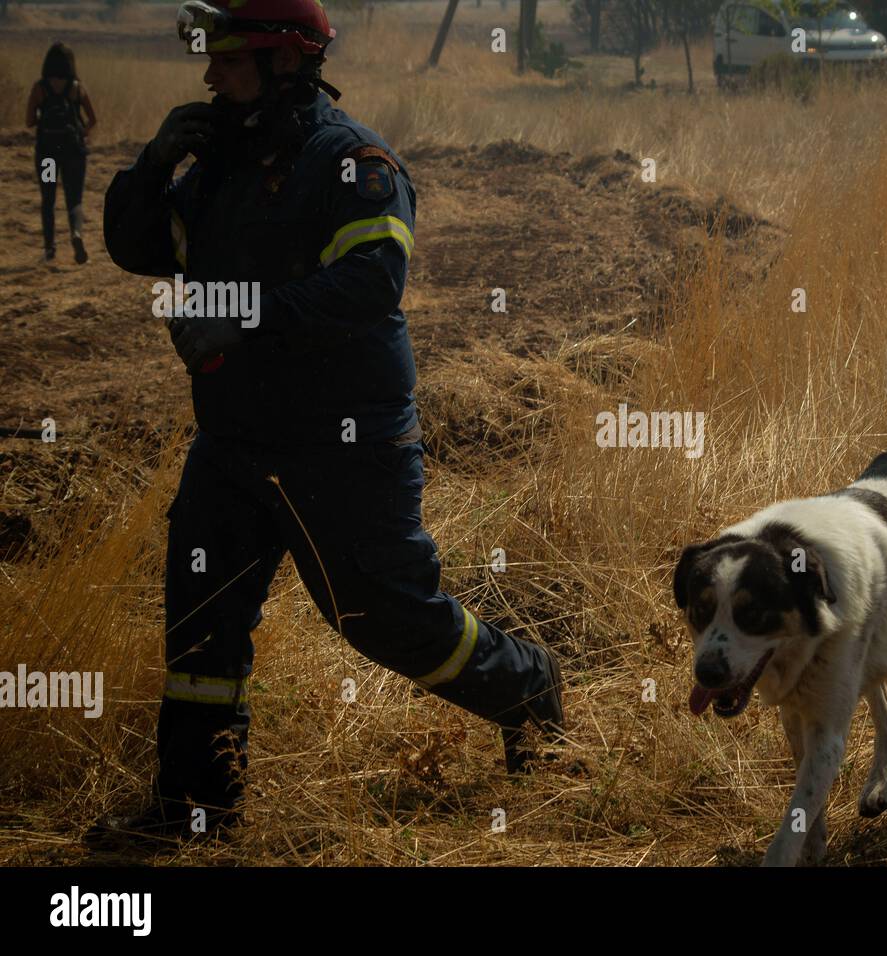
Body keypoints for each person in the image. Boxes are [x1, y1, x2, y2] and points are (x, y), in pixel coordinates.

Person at [90, 0, 564, 844]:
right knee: (202, 628)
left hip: (344, 442)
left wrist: (243, 317)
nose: (209, 77)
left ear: (282, 62)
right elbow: (134, 246)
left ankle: (526, 688)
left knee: (383, 619)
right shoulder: (214, 169)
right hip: (234, 443)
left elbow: (372, 282)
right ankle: (195, 817)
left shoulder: (349, 162)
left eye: (228, 60)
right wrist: (154, 160)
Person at [26, 41, 96, 263]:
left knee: (48, 198)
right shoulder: (77, 87)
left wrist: (44, 122)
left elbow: (28, 121)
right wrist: (80, 133)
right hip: (73, 154)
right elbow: (93, 120)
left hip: (48, 154)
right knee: (74, 198)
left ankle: (49, 248)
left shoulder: (39, 88)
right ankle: (76, 234)